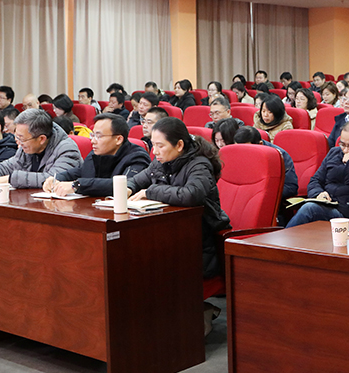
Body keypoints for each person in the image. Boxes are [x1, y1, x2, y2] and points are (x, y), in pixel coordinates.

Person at [127, 118, 232, 285]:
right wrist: (128, 188)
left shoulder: (199, 164)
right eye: (153, 145)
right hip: (170, 231)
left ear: (179, 145)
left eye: (160, 146)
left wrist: (150, 192)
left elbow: (191, 195)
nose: (155, 151)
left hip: (197, 238)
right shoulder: (160, 162)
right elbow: (138, 180)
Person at [286, 121, 349, 226]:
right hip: (327, 204)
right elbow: (315, 180)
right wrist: (318, 193)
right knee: (305, 207)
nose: (346, 150)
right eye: (342, 144)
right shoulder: (334, 153)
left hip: (348, 211)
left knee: (310, 209)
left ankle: (286, 235)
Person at [0, 108, 81, 189]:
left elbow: (53, 179)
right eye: (16, 136)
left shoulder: (67, 149)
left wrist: (11, 179)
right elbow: (6, 167)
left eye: (21, 138)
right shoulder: (26, 147)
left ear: (41, 139)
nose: (17, 142)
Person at [44, 114, 149, 197]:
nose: (93, 141)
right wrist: (56, 178)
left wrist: (76, 185)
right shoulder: (96, 153)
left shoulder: (137, 157)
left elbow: (124, 185)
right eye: (92, 135)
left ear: (118, 139)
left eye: (99, 136)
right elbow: (81, 172)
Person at [233, 126, 298, 201]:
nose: (242, 153)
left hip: (266, 199)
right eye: (238, 148)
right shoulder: (234, 153)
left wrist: (263, 193)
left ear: (260, 144)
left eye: (246, 149)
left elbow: (291, 187)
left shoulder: (280, 156)